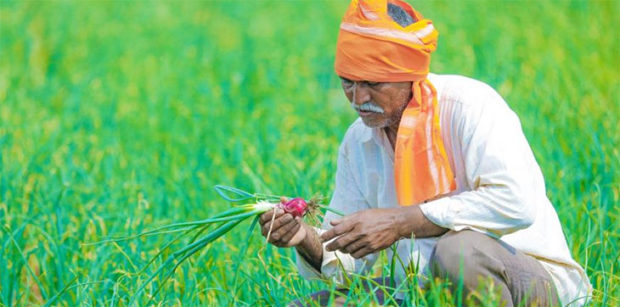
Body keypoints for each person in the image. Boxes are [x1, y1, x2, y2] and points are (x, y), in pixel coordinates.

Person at [258, 0, 591, 305]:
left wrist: (403, 222)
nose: (358, 99)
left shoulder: (470, 106)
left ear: (409, 76)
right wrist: (303, 238)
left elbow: (516, 203)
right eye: (348, 82)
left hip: (528, 283)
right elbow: (348, 263)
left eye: (373, 83)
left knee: (459, 253)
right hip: (424, 286)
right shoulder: (359, 142)